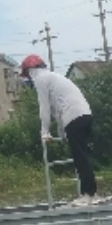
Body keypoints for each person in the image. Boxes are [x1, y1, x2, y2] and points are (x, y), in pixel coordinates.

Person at [20, 54, 99, 206]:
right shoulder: (53, 77)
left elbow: (45, 108)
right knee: (82, 156)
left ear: (30, 71)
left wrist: (44, 132)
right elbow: (57, 111)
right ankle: (91, 193)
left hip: (74, 116)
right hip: (84, 115)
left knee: (80, 158)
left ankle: (88, 195)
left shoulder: (40, 79)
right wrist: (62, 133)